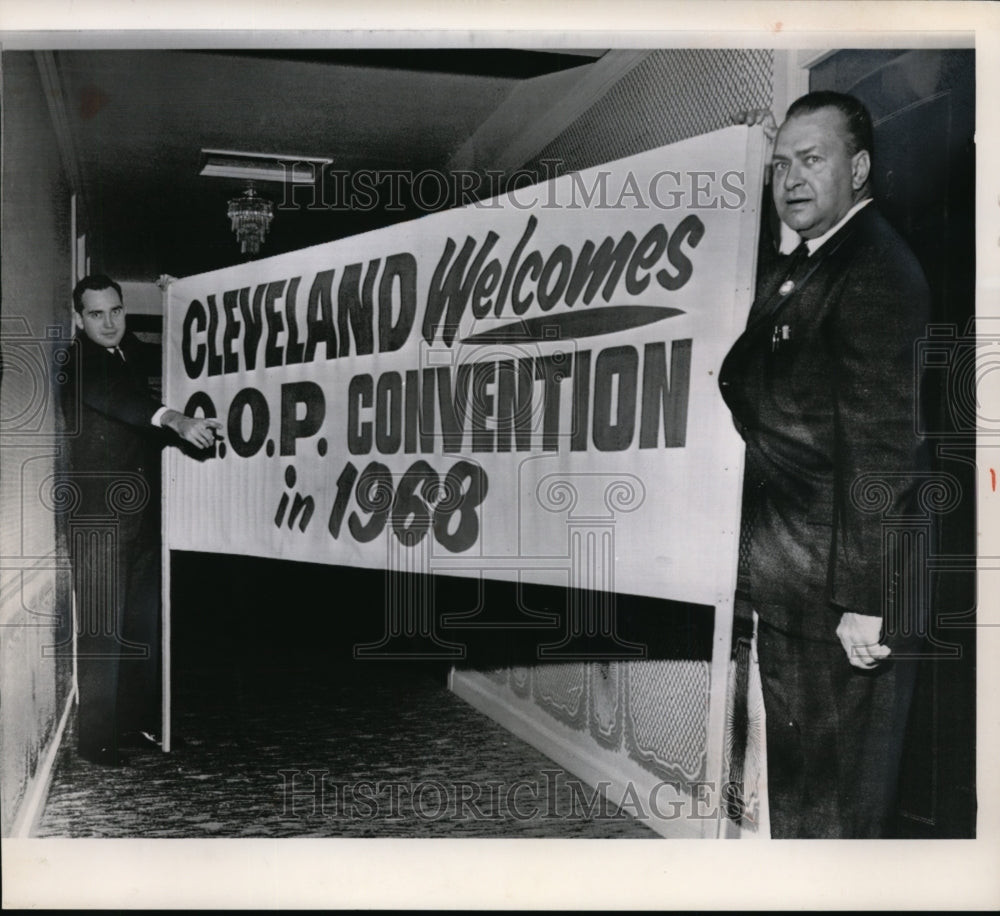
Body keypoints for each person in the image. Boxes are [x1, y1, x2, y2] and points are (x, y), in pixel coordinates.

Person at [720, 93, 930, 837]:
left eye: (811, 160)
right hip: (799, 580)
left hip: (844, 594)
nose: (790, 179)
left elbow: (884, 445)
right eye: (780, 165)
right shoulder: (813, 263)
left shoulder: (872, 269)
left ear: (860, 167)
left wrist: (867, 599)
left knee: (837, 810)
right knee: (808, 795)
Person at [62, 274, 222, 766]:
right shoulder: (77, 363)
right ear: (79, 318)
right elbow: (125, 403)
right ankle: (95, 740)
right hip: (98, 521)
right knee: (102, 630)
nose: (109, 323)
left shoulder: (126, 350)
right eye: (96, 314)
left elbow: (175, 351)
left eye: (116, 311)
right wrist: (174, 419)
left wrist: (182, 301)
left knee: (139, 625)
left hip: (143, 516)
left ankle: (129, 724)